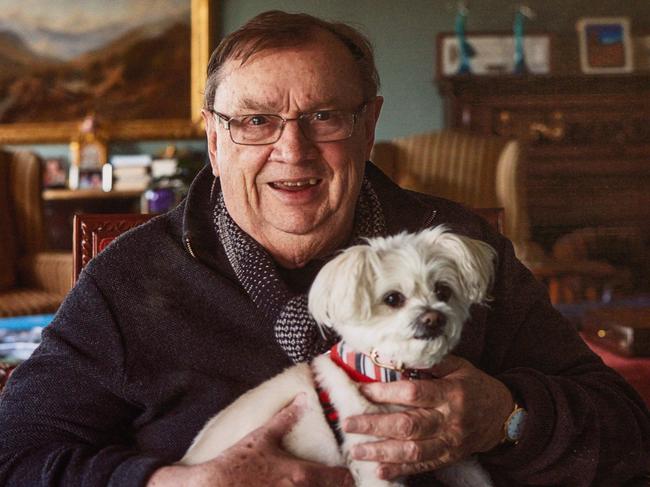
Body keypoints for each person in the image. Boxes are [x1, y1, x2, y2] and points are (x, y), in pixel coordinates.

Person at [1, 10, 649, 487]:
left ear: (369, 125)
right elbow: (17, 452)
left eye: (324, 117)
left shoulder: (459, 246)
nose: (293, 150)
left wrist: (505, 418)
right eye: (256, 120)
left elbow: (627, 434)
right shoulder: (131, 278)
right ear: (215, 139)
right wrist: (169, 482)